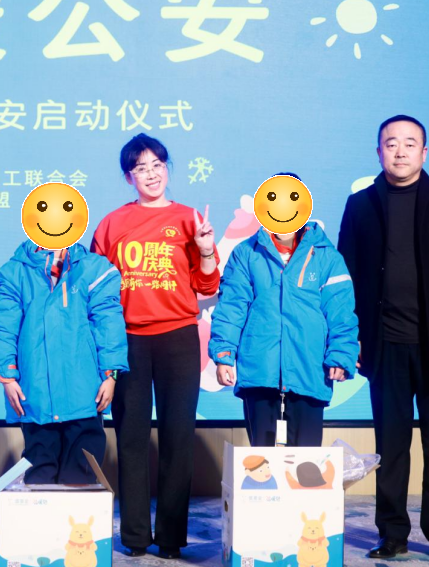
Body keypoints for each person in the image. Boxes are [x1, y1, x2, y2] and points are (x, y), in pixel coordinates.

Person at [90, 133, 219, 559]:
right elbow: (97, 288)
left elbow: (207, 286)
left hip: (178, 337)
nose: (151, 174)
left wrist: (205, 250)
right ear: (129, 177)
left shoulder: (188, 218)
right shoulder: (111, 224)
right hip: (128, 340)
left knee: (178, 437)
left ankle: (170, 537)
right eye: (141, 168)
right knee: (131, 438)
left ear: (167, 169)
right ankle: (134, 536)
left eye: (157, 165)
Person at [209, 173, 359, 447]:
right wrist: (223, 354)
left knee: (306, 463)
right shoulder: (246, 253)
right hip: (259, 372)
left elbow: (341, 312)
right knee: (260, 463)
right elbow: (232, 307)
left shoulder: (326, 255)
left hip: (309, 370)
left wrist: (341, 355)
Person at [338, 114, 429, 559]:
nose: (400, 151)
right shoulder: (360, 205)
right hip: (385, 344)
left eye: (410, 143)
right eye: (391, 143)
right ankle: (392, 534)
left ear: (424, 152)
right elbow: (344, 277)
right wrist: (349, 336)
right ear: (378, 152)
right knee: (390, 446)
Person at [0, 227, 127, 483]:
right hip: (35, 391)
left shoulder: (95, 269)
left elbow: (108, 323)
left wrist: (111, 374)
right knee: (40, 472)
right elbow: (2, 327)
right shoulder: (14, 272)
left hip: (84, 391)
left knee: (81, 476)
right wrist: (7, 376)